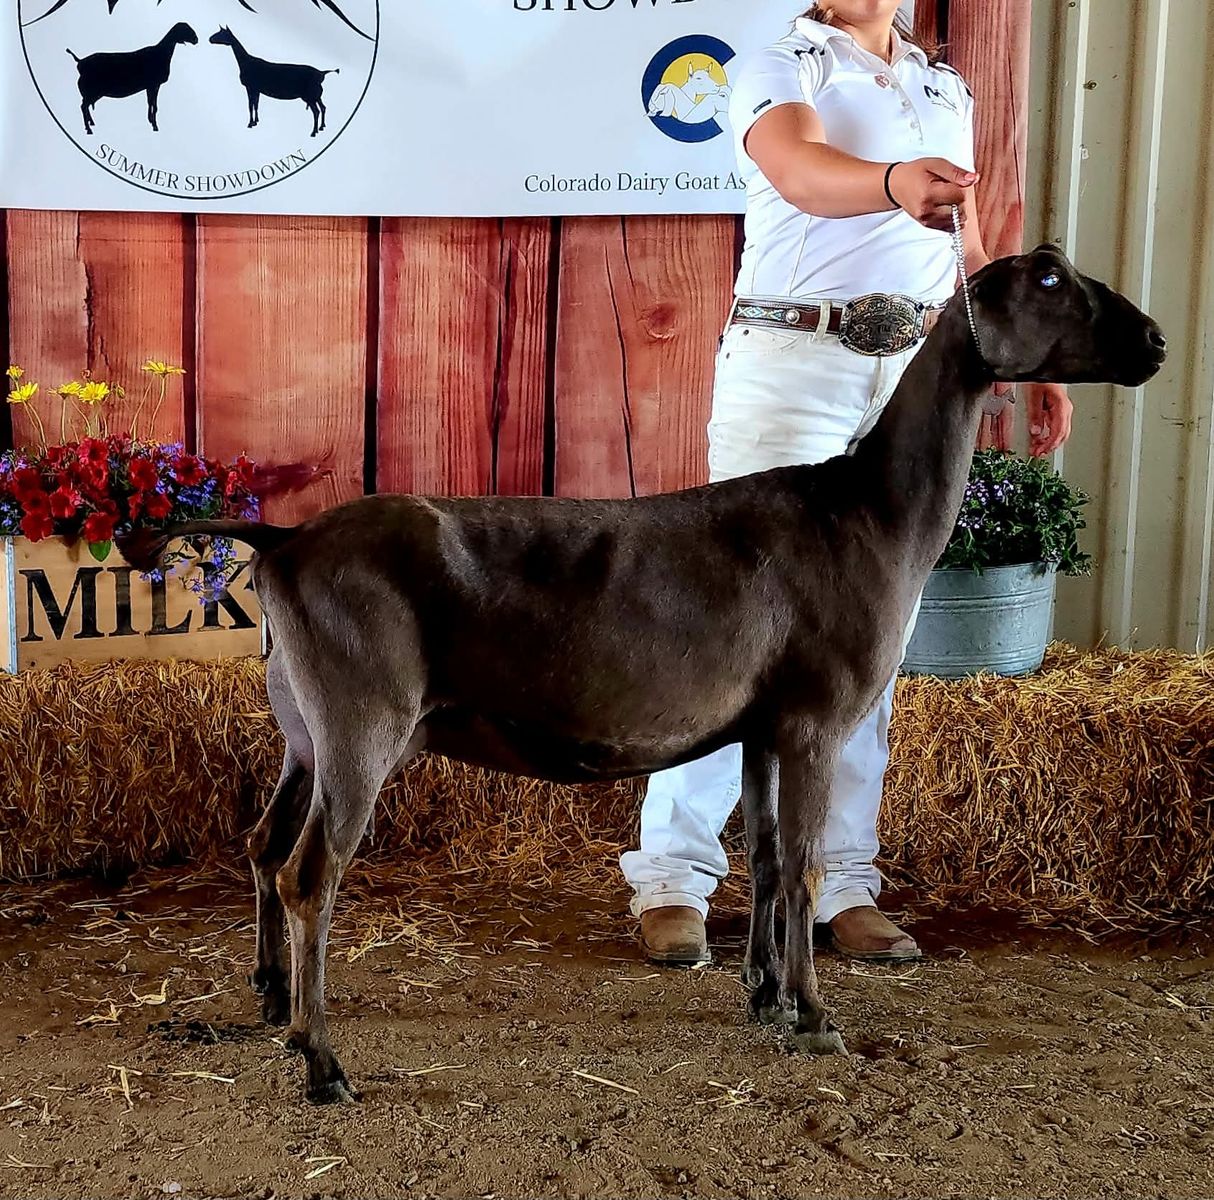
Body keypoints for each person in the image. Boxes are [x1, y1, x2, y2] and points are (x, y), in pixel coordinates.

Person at [620, 2, 1073, 966]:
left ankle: (839, 880)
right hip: (796, 358)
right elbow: (799, 172)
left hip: (911, 370)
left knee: (874, 636)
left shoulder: (942, 84)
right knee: (726, 623)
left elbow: (969, 254)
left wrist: (1021, 364)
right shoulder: (782, 64)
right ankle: (674, 878)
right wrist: (892, 182)